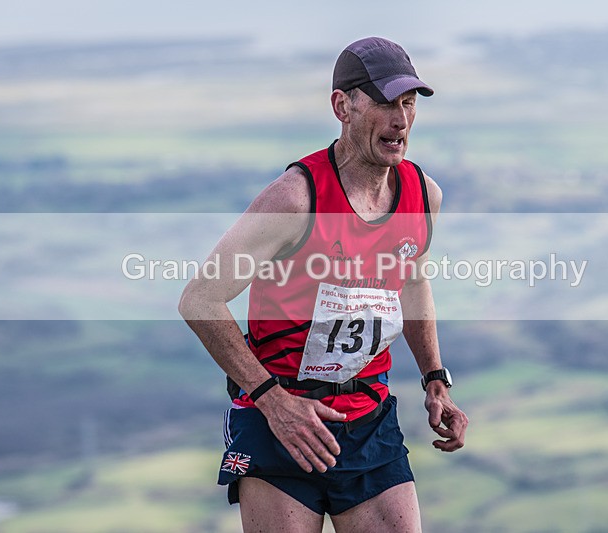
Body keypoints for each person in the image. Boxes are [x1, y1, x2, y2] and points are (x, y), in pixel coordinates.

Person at [179, 36, 468, 533]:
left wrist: (435, 378)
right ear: (343, 106)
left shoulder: (424, 196)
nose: (399, 119)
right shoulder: (295, 199)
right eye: (383, 102)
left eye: (408, 103)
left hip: (369, 415)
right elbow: (199, 299)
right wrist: (272, 400)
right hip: (282, 421)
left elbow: (412, 280)